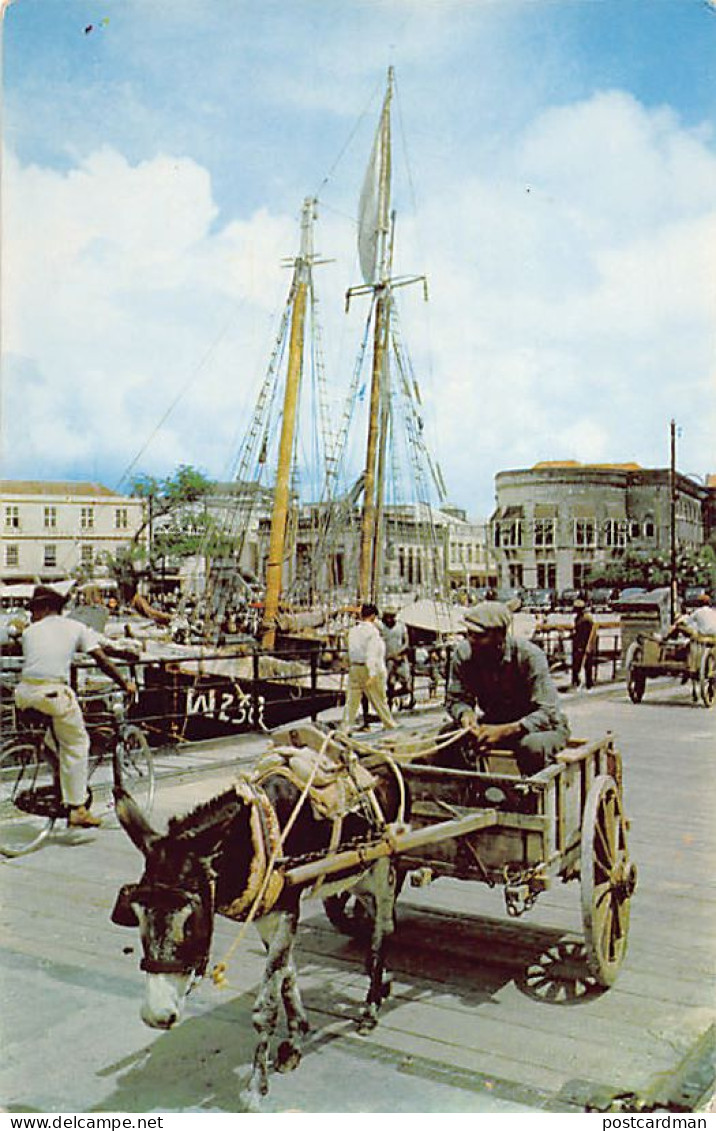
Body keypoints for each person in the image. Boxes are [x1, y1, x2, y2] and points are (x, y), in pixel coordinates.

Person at [14, 585, 137, 829]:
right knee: (78, 744)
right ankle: (78, 809)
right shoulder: (75, 627)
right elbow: (101, 660)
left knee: (55, 743)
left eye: (35, 610)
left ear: (46, 608)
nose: (32, 615)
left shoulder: (29, 632)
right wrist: (125, 683)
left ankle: (61, 780)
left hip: (24, 694)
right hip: (52, 694)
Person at [446, 600, 569, 776]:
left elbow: (548, 712)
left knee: (532, 747)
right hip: (493, 724)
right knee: (450, 736)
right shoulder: (463, 654)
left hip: (537, 729)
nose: (471, 640)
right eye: (469, 634)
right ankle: (469, 793)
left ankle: (529, 799)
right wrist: (465, 714)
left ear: (500, 635)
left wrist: (506, 731)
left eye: (479, 635)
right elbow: (456, 699)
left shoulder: (530, 656)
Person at [341, 603, 397, 732]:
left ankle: (345, 728)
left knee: (351, 702)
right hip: (367, 668)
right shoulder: (372, 632)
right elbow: (371, 654)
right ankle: (389, 725)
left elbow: (351, 650)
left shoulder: (353, 631)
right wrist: (372, 673)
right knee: (379, 700)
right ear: (373, 616)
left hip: (355, 668)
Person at [380, 610, 410, 697]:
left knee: (406, 683)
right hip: (388, 658)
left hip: (400, 657)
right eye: (387, 616)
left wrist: (400, 652)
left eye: (391, 616)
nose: (389, 619)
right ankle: (389, 702)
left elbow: (406, 642)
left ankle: (394, 695)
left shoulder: (401, 626)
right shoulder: (381, 627)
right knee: (390, 682)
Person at [571, 598, 598, 690]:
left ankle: (586, 682)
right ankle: (579, 682)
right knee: (578, 664)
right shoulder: (579, 618)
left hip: (583, 645)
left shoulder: (585, 620)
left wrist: (584, 646)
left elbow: (585, 634)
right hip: (579, 644)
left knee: (585, 664)